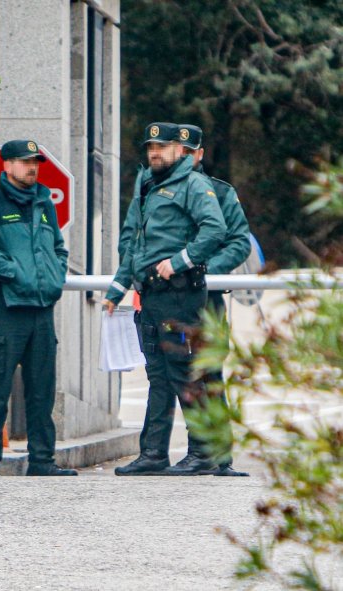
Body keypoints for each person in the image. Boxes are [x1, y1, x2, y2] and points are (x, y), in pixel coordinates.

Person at [103, 122, 227, 476]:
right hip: (152, 297)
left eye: (162, 147)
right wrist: (117, 289)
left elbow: (215, 230)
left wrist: (179, 262)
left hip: (180, 296)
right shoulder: (147, 186)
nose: (155, 153)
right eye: (150, 148)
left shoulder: (192, 184)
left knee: (185, 372)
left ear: (179, 150)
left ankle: (202, 453)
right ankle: (154, 452)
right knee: (158, 375)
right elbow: (136, 245)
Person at [0, 139, 77, 477]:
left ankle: (42, 461)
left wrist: (55, 273)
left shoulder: (43, 201)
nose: (32, 167)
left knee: (43, 391)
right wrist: (10, 269)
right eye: (25, 162)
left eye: (35, 162)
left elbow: (57, 246)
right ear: (6, 166)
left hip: (41, 309)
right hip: (5, 309)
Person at [163, 123, 251, 476]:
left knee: (209, 374)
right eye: (177, 152)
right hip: (169, 297)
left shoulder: (219, 192)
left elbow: (239, 241)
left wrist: (203, 271)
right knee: (175, 373)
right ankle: (191, 451)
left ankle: (218, 456)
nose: (183, 158)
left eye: (189, 152)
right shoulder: (158, 190)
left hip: (205, 299)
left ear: (199, 154)